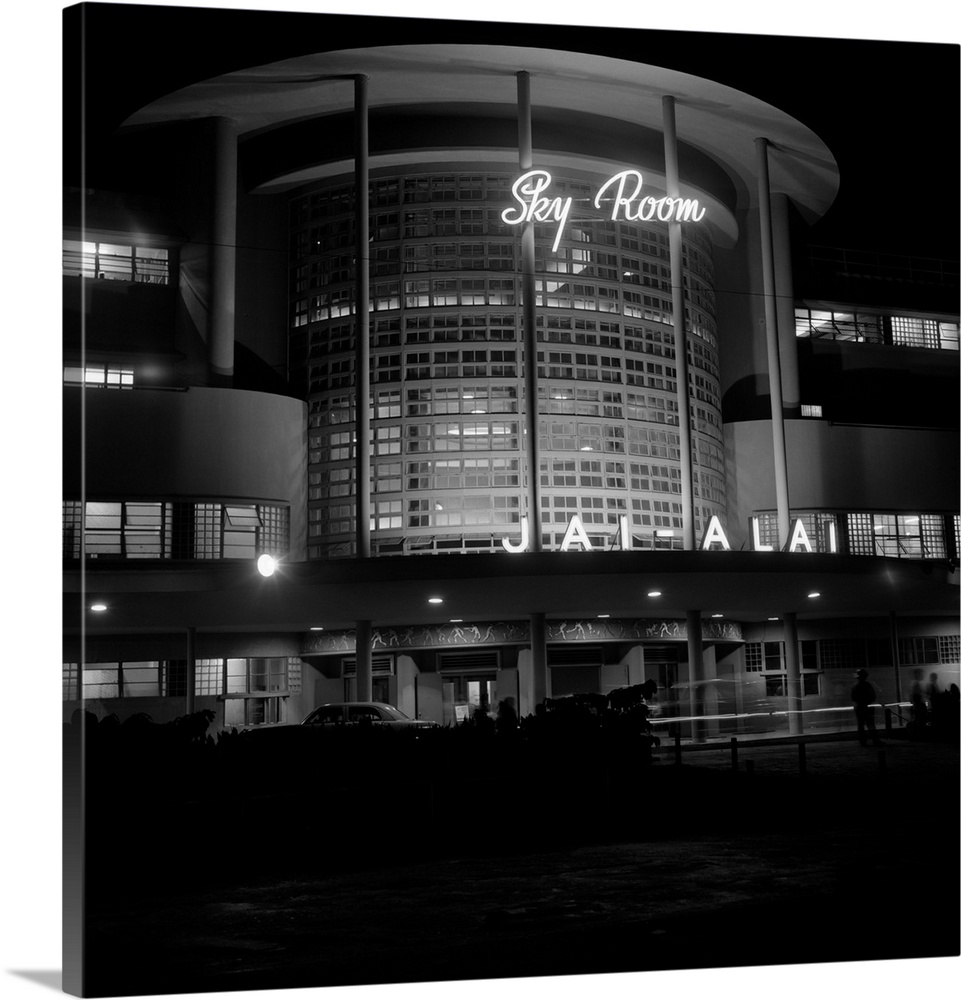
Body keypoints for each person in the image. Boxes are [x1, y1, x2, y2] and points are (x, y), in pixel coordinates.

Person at [851, 669, 882, 746]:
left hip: (859, 707)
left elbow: (853, 698)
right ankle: (875, 740)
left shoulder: (855, 686)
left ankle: (863, 741)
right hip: (868, 707)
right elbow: (873, 696)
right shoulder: (867, 685)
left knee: (861, 725)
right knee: (870, 724)